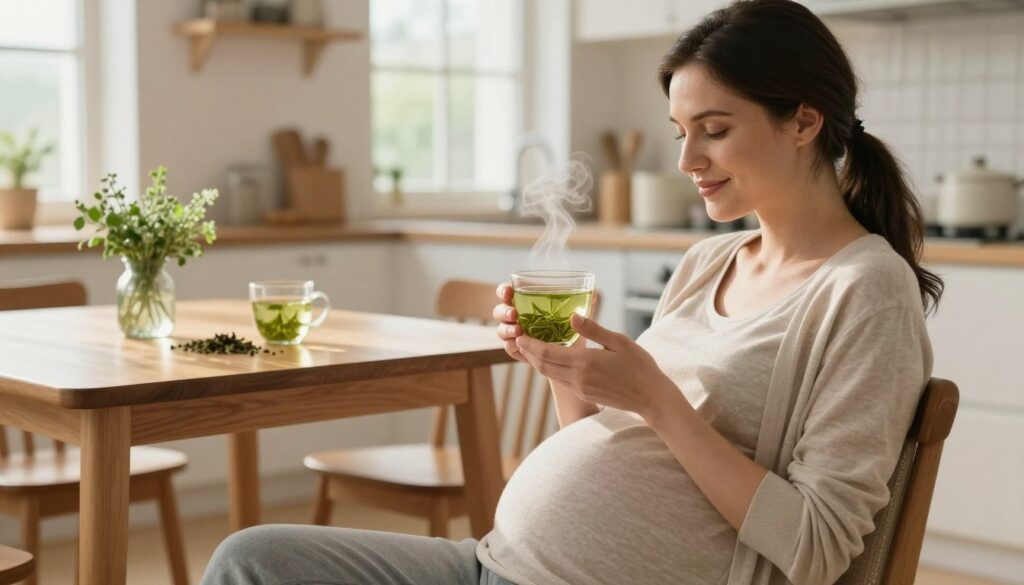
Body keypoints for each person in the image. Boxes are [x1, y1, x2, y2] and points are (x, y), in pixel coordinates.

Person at [200, 1, 942, 584]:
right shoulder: (709, 261)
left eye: (713, 130)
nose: (686, 158)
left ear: (804, 120)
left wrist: (655, 395)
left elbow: (818, 548)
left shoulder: (866, 292)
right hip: (496, 562)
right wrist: (564, 371)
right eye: (680, 131)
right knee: (251, 559)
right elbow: (614, 448)